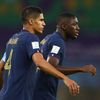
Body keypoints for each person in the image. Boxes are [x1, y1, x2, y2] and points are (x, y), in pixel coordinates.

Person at [0, 6, 80, 100]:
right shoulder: (31, 38)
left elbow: (0, 67)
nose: (44, 24)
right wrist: (65, 78)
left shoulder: (12, 40)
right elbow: (40, 62)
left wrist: (4, 90)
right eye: (41, 20)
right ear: (31, 21)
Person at [33, 12, 96, 100]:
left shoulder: (49, 37)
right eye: (74, 24)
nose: (78, 28)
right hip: (42, 93)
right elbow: (51, 67)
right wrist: (81, 69)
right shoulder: (58, 41)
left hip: (35, 90)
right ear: (64, 26)